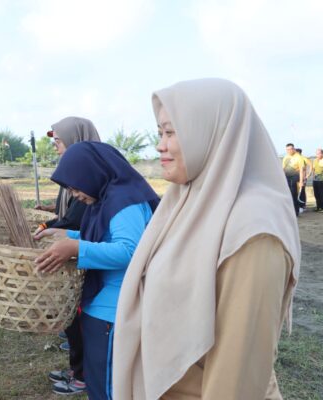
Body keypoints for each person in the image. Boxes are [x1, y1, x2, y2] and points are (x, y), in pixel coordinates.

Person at [112, 78, 301, 399]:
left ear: (213, 132)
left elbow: (235, 381)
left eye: (171, 133)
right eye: (160, 133)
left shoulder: (254, 231)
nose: (160, 145)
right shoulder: (187, 203)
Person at [35, 141, 159, 399]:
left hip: (115, 311)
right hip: (103, 307)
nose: (74, 194)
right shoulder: (109, 198)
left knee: (109, 386)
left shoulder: (125, 202)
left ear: (90, 172)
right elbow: (105, 236)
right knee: (98, 380)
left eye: (74, 186)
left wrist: (75, 248)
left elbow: (129, 251)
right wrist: (64, 233)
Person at [34, 116, 101, 396]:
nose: (55, 147)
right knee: (73, 320)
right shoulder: (76, 172)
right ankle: (77, 369)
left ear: (76, 140)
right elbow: (69, 214)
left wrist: (49, 227)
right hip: (76, 250)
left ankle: (83, 375)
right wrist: (50, 220)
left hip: (84, 257)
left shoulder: (92, 177)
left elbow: (76, 220)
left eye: (58, 141)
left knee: (79, 318)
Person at [282, 143, 305, 216]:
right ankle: (289, 211)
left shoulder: (299, 157)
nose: (288, 151)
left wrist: (301, 181)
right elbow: (283, 169)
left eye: (290, 149)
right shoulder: (286, 157)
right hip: (286, 177)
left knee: (293, 194)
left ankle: (295, 212)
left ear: (293, 149)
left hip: (294, 177)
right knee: (287, 195)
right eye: (287, 149)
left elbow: (301, 170)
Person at [295, 148, 312, 213]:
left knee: (301, 191)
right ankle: (298, 205)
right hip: (296, 178)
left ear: (298, 152)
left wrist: (308, 175)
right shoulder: (296, 158)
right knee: (297, 191)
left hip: (302, 178)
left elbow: (311, 165)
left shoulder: (303, 158)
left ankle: (302, 206)